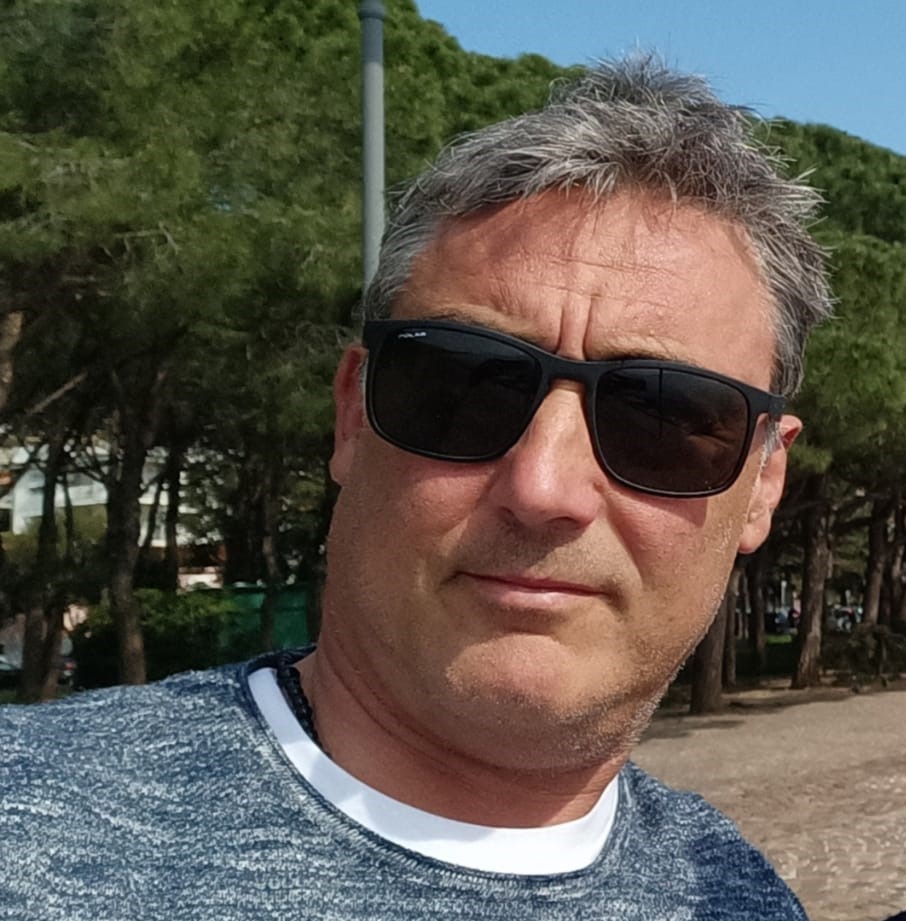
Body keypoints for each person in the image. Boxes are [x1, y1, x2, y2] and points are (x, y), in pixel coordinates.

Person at [0, 55, 831, 919]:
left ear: (764, 483)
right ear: (352, 416)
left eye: (662, 417)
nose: (544, 487)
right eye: (464, 387)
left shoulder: (740, 895)